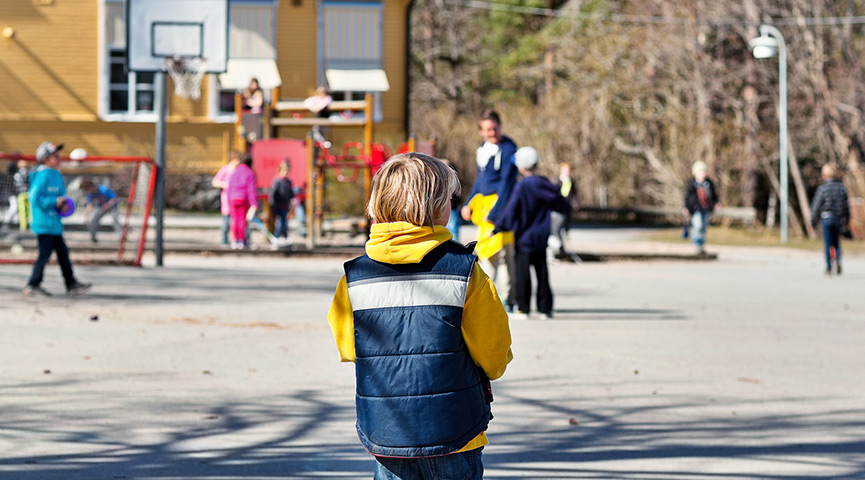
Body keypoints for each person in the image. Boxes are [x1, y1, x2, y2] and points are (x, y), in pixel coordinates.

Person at [327, 152, 513, 479]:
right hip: (456, 429)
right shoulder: (465, 273)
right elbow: (494, 355)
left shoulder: (354, 279)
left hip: (387, 430)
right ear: (438, 207)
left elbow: (349, 349)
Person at [495, 147, 569, 320]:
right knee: (542, 273)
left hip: (523, 238)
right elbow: (561, 204)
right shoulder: (545, 184)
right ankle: (545, 309)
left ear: (521, 166)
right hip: (541, 237)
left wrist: (499, 227)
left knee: (523, 274)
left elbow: (512, 209)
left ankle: (523, 308)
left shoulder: (522, 186)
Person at [460, 109, 519, 309]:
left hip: (500, 208)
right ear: (481, 131)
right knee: (486, 254)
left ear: (500, 127)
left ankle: (508, 298)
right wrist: (468, 202)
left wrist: (496, 214)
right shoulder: (483, 149)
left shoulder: (508, 149)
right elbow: (480, 180)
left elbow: (506, 184)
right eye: (487, 130)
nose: (492, 133)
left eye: (494, 128)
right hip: (484, 208)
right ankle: (488, 299)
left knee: (504, 256)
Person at [24, 142, 91, 297]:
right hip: (44, 224)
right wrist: (55, 201)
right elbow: (34, 198)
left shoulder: (56, 174)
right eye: (55, 156)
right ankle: (33, 284)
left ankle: (71, 284)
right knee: (45, 254)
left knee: (62, 253)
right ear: (45, 159)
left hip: (54, 224)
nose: (59, 157)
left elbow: (61, 198)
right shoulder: (42, 175)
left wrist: (64, 205)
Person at [810, 163, 850, 275]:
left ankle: (828, 267)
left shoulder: (822, 188)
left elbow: (816, 206)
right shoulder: (842, 188)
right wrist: (846, 220)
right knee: (836, 242)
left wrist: (812, 221)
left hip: (826, 218)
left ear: (824, 175)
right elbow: (846, 206)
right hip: (838, 219)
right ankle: (837, 260)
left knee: (828, 243)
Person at [683, 161, 720, 254]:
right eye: (701, 172)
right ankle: (696, 243)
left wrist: (716, 202)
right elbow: (687, 197)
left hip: (706, 208)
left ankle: (701, 244)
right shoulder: (692, 184)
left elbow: (714, 194)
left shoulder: (709, 183)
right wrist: (686, 207)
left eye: (704, 172)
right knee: (697, 225)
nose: (703, 174)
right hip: (696, 209)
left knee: (704, 227)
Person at [549, 162, 580, 261]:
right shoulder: (558, 181)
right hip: (558, 208)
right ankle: (558, 249)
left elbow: (575, 194)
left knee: (565, 229)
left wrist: (575, 203)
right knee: (556, 230)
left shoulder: (571, 181)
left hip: (567, 208)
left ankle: (562, 249)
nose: (567, 172)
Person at [226, 154, 257, 249]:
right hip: (242, 198)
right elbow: (251, 189)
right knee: (241, 219)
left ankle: (234, 239)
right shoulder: (249, 173)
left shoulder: (235, 171)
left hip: (232, 198)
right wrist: (253, 203)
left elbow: (229, 186)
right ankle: (241, 239)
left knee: (234, 219)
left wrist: (228, 200)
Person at [212, 151, 242, 247]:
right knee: (226, 221)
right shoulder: (225, 170)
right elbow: (215, 182)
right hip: (227, 200)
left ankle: (237, 240)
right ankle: (224, 241)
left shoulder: (239, 170)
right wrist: (225, 184)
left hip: (237, 199)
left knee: (238, 222)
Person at [80, 179, 122, 243]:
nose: (87, 192)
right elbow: (90, 205)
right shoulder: (89, 194)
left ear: (90, 187)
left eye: (87, 190)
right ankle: (93, 238)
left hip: (112, 207)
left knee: (115, 219)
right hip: (101, 208)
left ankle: (122, 236)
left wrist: (107, 205)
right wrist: (86, 216)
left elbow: (114, 199)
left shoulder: (103, 189)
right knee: (93, 221)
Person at [268, 160, 294, 240]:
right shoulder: (277, 181)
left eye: (288, 171)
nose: (286, 173)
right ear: (280, 171)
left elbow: (290, 193)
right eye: (285, 171)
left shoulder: (288, 182)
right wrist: (272, 205)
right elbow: (272, 194)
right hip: (278, 206)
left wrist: (292, 199)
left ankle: (285, 238)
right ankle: (276, 238)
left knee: (285, 223)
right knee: (280, 223)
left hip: (285, 206)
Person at [3, 159, 29, 230]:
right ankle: (7, 222)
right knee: (15, 207)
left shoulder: (17, 174)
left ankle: (20, 224)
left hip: (18, 194)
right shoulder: (14, 174)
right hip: (14, 194)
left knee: (21, 209)